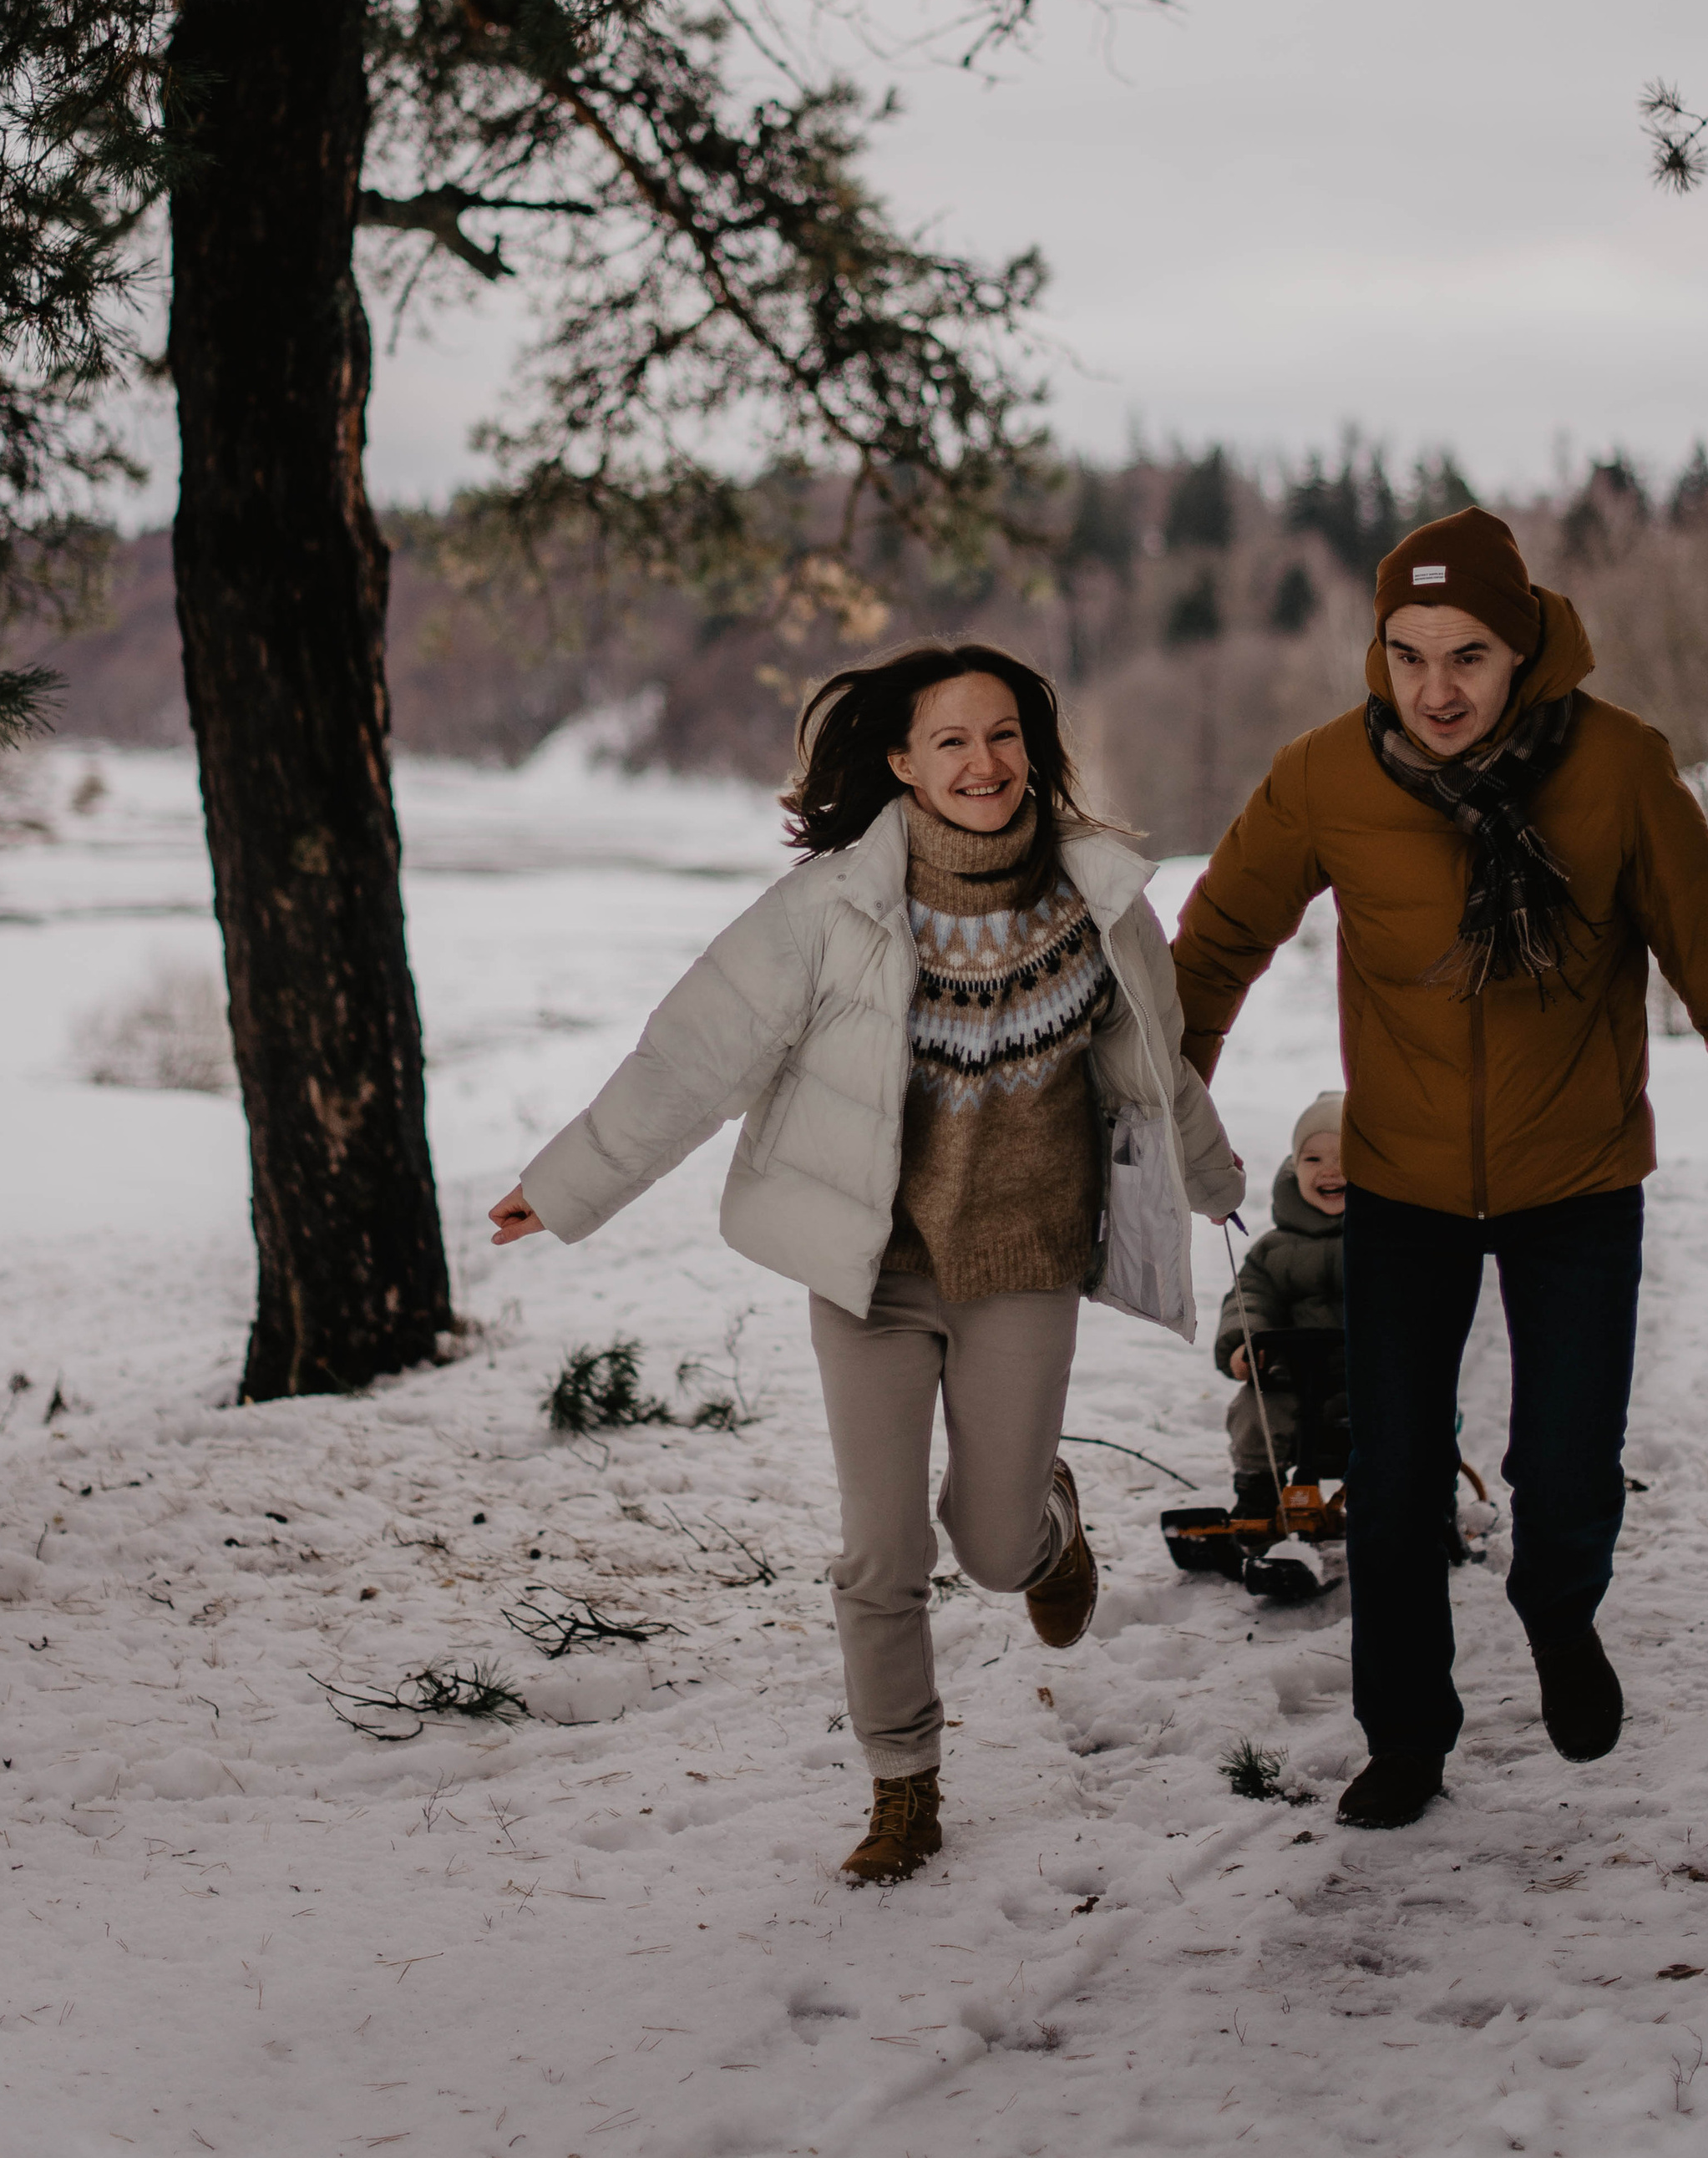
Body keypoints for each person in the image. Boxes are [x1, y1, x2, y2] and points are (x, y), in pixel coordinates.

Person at [489, 641, 1240, 1886]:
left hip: (1024, 1263)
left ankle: (1047, 1526)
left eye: (1002, 736)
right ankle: (904, 1784)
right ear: (902, 761)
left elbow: (1153, 1068)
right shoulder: (832, 909)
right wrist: (570, 1181)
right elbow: (692, 1056)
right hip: (873, 1270)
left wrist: (1213, 1188)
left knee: (990, 1548)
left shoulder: (1098, 900)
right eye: (950, 741)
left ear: (1033, 750)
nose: (982, 763)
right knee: (880, 1549)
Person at [1170, 507, 1708, 1832]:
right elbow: (1216, 940)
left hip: (1580, 1176)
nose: (1437, 689)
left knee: (1569, 1462)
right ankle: (1408, 1740)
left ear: (1526, 646)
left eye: (1470, 655)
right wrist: (1162, 1105)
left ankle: (1556, 1608)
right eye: (1411, 654)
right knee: (1400, 1471)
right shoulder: (1327, 776)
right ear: (1380, 652)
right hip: (1405, 1183)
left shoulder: (1618, 768)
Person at [1214, 1090, 1349, 1520]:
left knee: (1404, 1422)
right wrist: (1244, 1342)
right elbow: (1249, 1298)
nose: (1329, 1171)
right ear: (1294, 1167)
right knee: (1253, 1412)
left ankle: (1414, 1502)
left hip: (1370, 1383)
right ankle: (1258, 1495)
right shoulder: (1273, 1250)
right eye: (1312, 1160)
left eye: (1345, 1157)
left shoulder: (1386, 1244)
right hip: (1291, 1380)